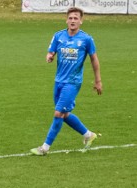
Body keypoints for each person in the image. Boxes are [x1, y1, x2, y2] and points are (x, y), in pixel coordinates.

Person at [30, 7, 102, 156]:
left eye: (76, 18)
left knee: (58, 113)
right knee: (65, 114)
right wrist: (49, 56)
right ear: (66, 20)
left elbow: (94, 59)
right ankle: (88, 135)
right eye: (70, 18)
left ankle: (44, 148)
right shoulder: (58, 36)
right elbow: (51, 51)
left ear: (81, 21)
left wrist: (98, 81)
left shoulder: (86, 39)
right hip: (59, 81)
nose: (73, 21)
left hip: (73, 82)